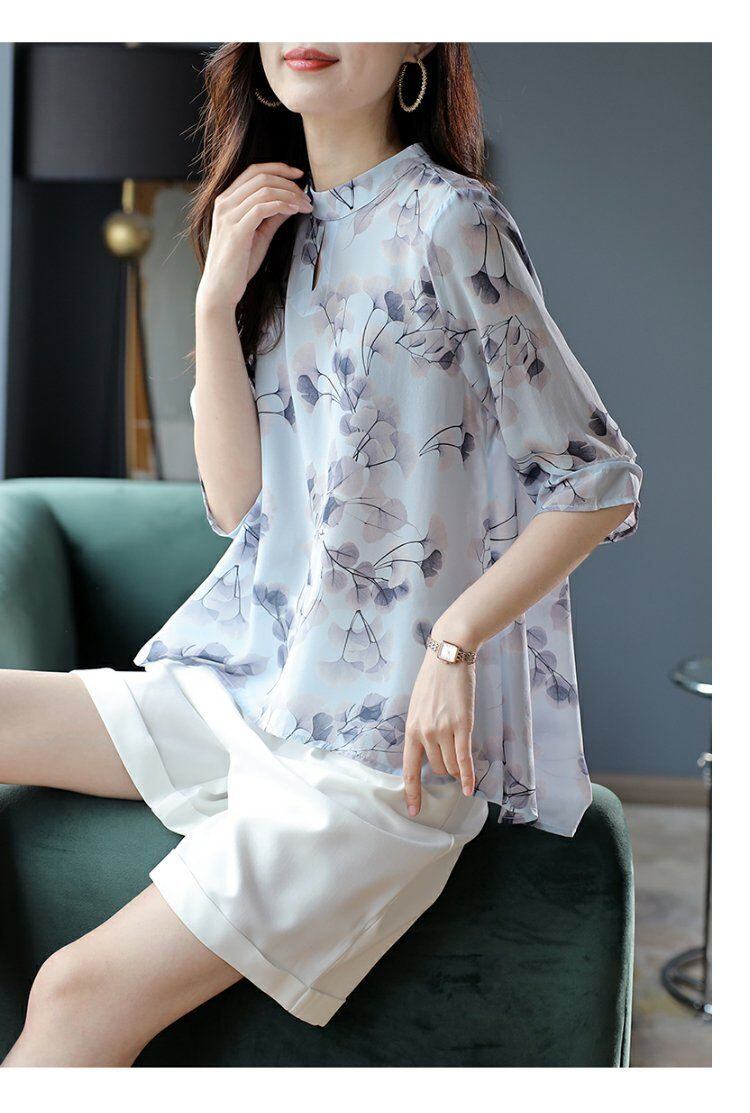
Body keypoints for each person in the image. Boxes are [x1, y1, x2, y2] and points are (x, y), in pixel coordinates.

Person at [0, 42, 643, 1066]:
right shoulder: (277, 229)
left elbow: (598, 481)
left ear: (417, 41)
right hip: (256, 687)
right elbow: (236, 503)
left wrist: (455, 644)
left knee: (74, 993)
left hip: (375, 750)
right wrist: (214, 301)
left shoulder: (453, 221)